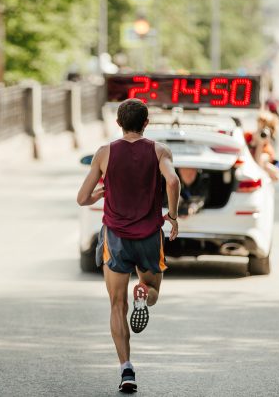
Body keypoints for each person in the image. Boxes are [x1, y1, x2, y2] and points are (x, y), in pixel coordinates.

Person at [76, 98, 180, 393]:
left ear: (118, 123)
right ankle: (144, 293)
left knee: (116, 304)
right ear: (146, 124)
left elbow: (82, 198)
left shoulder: (104, 153)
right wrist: (171, 216)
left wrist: (100, 194)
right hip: (148, 237)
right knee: (154, 291)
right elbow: (172, 182)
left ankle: (126, 370)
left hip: (117, 239)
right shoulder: (159, 151)